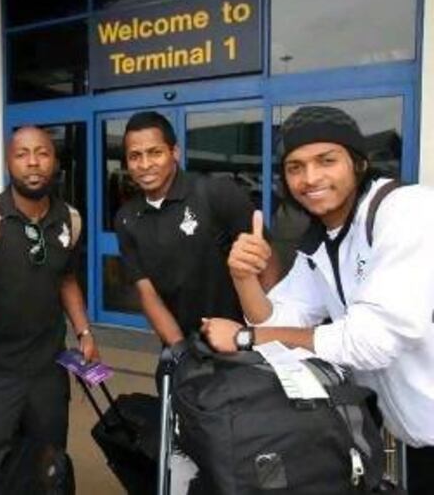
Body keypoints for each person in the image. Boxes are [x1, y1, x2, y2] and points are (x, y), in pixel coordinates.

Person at [202, 105, 434, 495]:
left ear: (357, 163)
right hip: (417, 436)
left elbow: (369, 342)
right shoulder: (323, 241)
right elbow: (276, 319)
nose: (310, 178)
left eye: (327, 160)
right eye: (295, 167)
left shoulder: (406, 211)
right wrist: (243, 277)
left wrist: (244, 339)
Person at [0, 126, 99, 455]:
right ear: (8, 163)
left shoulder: (70, 218)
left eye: (42, 153)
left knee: (49, 467)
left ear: (55, 161)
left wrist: (84, 332)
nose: (33, 162)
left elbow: (67, 279)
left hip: (49, 371)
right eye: (22, 154)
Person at [113, 111, 278, 384]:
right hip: (183, 351)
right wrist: (179, 350)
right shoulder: (127, 218)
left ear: (174, 152)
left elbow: (267, 261)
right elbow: (147, 293)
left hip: (239, 349)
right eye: (135, 156)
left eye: (155, 153)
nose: (145, 164)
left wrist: (266, 332)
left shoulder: (215, 193)